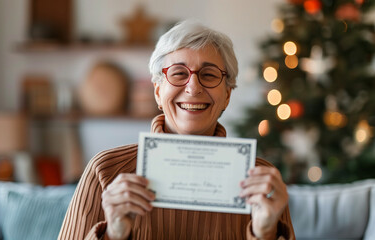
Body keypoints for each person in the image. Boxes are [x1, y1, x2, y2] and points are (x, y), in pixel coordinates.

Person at [58, 21, 295, 240]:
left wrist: (264, 232)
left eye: (209, 75)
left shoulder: (263, 183)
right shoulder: (105, 172)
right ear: (158, 92)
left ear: (227, 95)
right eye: (179, 73)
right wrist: (114, 234)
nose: (193, 87)